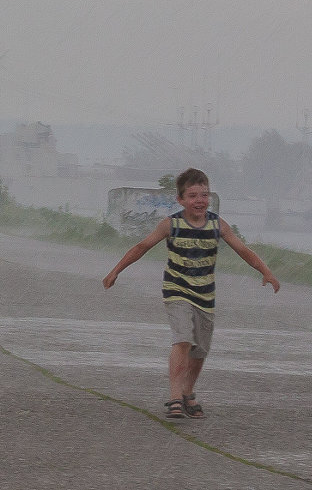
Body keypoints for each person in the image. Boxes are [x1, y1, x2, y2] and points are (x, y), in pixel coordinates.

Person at [102, 168, 280, 419]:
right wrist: (115, 271)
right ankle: (175, 397)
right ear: (181, 200)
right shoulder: (170, 224)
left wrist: (266, 272)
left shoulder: (218, 225)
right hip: (177, 291)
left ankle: (187, 392)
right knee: (183, 339)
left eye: (204, 195)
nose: (200, 201)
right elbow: (141, 246)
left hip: (205, 296)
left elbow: (243, 250)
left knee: (199, 352)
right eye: (193, 195)